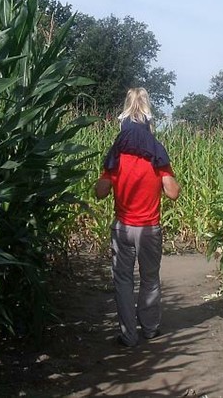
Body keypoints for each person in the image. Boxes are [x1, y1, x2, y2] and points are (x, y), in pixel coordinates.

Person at [95, 88, 180, 347]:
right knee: (150, 278)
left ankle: (128, 335)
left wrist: (107, 177)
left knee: (123, 281)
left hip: (123, 228)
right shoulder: (156, 154)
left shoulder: (117, 154)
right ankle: (151, 329)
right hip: (150, 228)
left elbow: (100, 193)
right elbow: (173, 193)